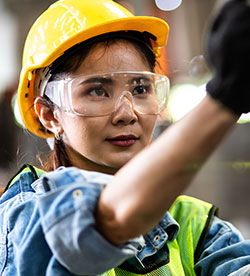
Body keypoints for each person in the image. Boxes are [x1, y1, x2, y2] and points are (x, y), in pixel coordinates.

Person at [1, 0, 250, 275]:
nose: (127, 113)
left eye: (141, 88)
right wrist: (224, 99)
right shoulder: (23, 217)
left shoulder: (196, 226)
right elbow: (104, 221)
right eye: (97, 90)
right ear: (49, 114)